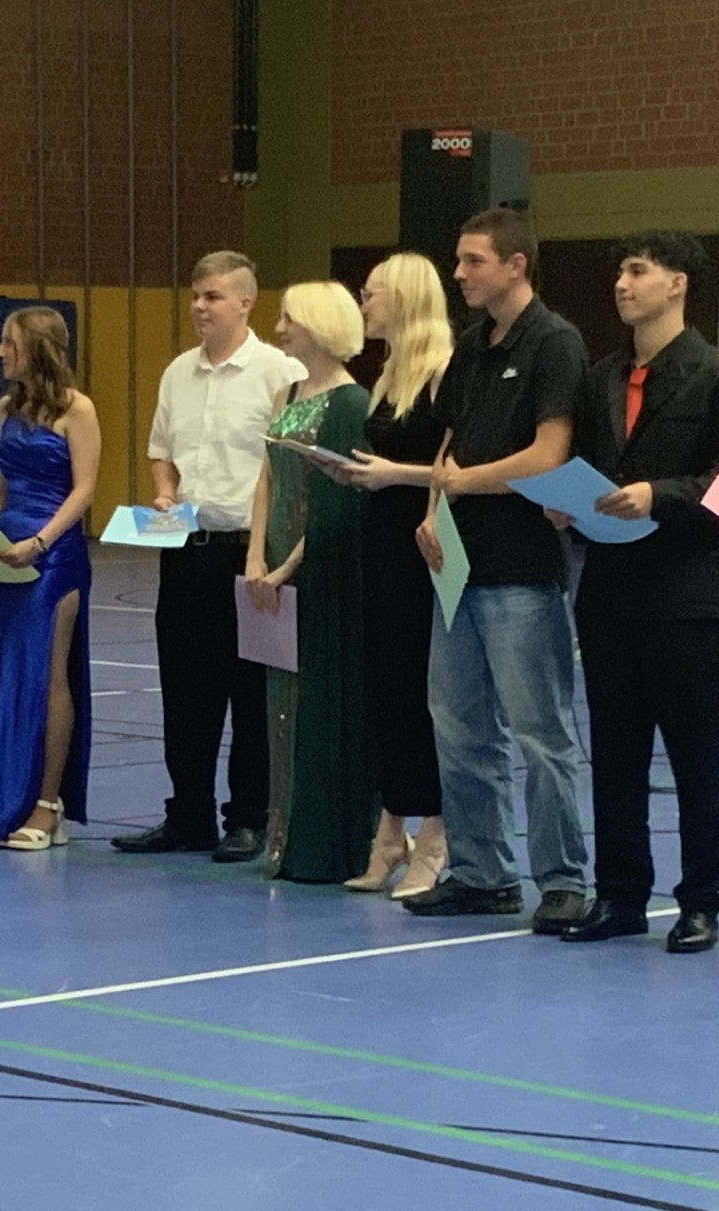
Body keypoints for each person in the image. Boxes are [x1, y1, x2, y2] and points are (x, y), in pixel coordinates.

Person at [559, 232, 719, 955]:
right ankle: (620, 894)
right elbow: (589, 464)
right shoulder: (601, 378)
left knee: (696, 759)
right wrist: (566, 502)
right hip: (610, 594)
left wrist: (659, 495)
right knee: (616, 757)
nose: (622, 282)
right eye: (620, 270)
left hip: (686, 599)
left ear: (677, 284)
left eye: (638, 271)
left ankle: (701, 900)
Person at [400, 208, 591, 935]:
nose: (459, 274)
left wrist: (465, 484)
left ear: (516, 264)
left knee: (541, 732)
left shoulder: (555, 342)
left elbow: (549, 455)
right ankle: (482, 872)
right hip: (458, 565)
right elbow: (449, 441)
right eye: (457, 260)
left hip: (522, 570)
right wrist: (431, 509)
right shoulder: (473, 346)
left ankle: (563, 879)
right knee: (459, 728)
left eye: (473, 261)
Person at [113, 251, 304, 863]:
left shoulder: (281, 372)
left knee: (251, 693)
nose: (199, 306)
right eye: (196, 295)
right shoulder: (177, 373)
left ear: (245, 303)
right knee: (185, 691)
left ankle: (248, 816)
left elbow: (290, 465)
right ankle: (188, 813)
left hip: (250, 552)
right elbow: (160, 450)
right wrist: (165, 492)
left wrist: (265, 554)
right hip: (186, 550)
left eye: (213, 296)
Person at [323, 253, 455, 898]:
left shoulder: (445, 372)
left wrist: (391, 475)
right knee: (388, 690)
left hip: (425, 542)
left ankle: (435, 834)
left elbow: (458, 469)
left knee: (422, 691)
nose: (363, 304)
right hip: (380, 537)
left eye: (371, 293)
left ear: (402, 298)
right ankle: (390, 825)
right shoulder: (387, 374)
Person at [244, 281, 378, 883]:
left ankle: (324, 839)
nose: (279, 329)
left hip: (318, 567)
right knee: (279, 704)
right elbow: (268, 479)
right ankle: (284, 835)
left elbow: (335, 500)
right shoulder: (287, 392)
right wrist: (255, 556)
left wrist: (286, 566)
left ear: (320, 325)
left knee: (319, 700)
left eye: (289, 319)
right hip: (271, 566)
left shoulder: (352, 403)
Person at [0, 306, 98, 848]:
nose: (0, 352)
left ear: (38, 348)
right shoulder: (7, 408)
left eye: (10, 342)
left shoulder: (78, 409)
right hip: (8, 555)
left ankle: (49, 803)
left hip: (53, 557)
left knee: (50, 673)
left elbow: (84, 490)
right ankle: (13, 797)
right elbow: (4, 482)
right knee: (12, 674)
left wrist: (41, 541)